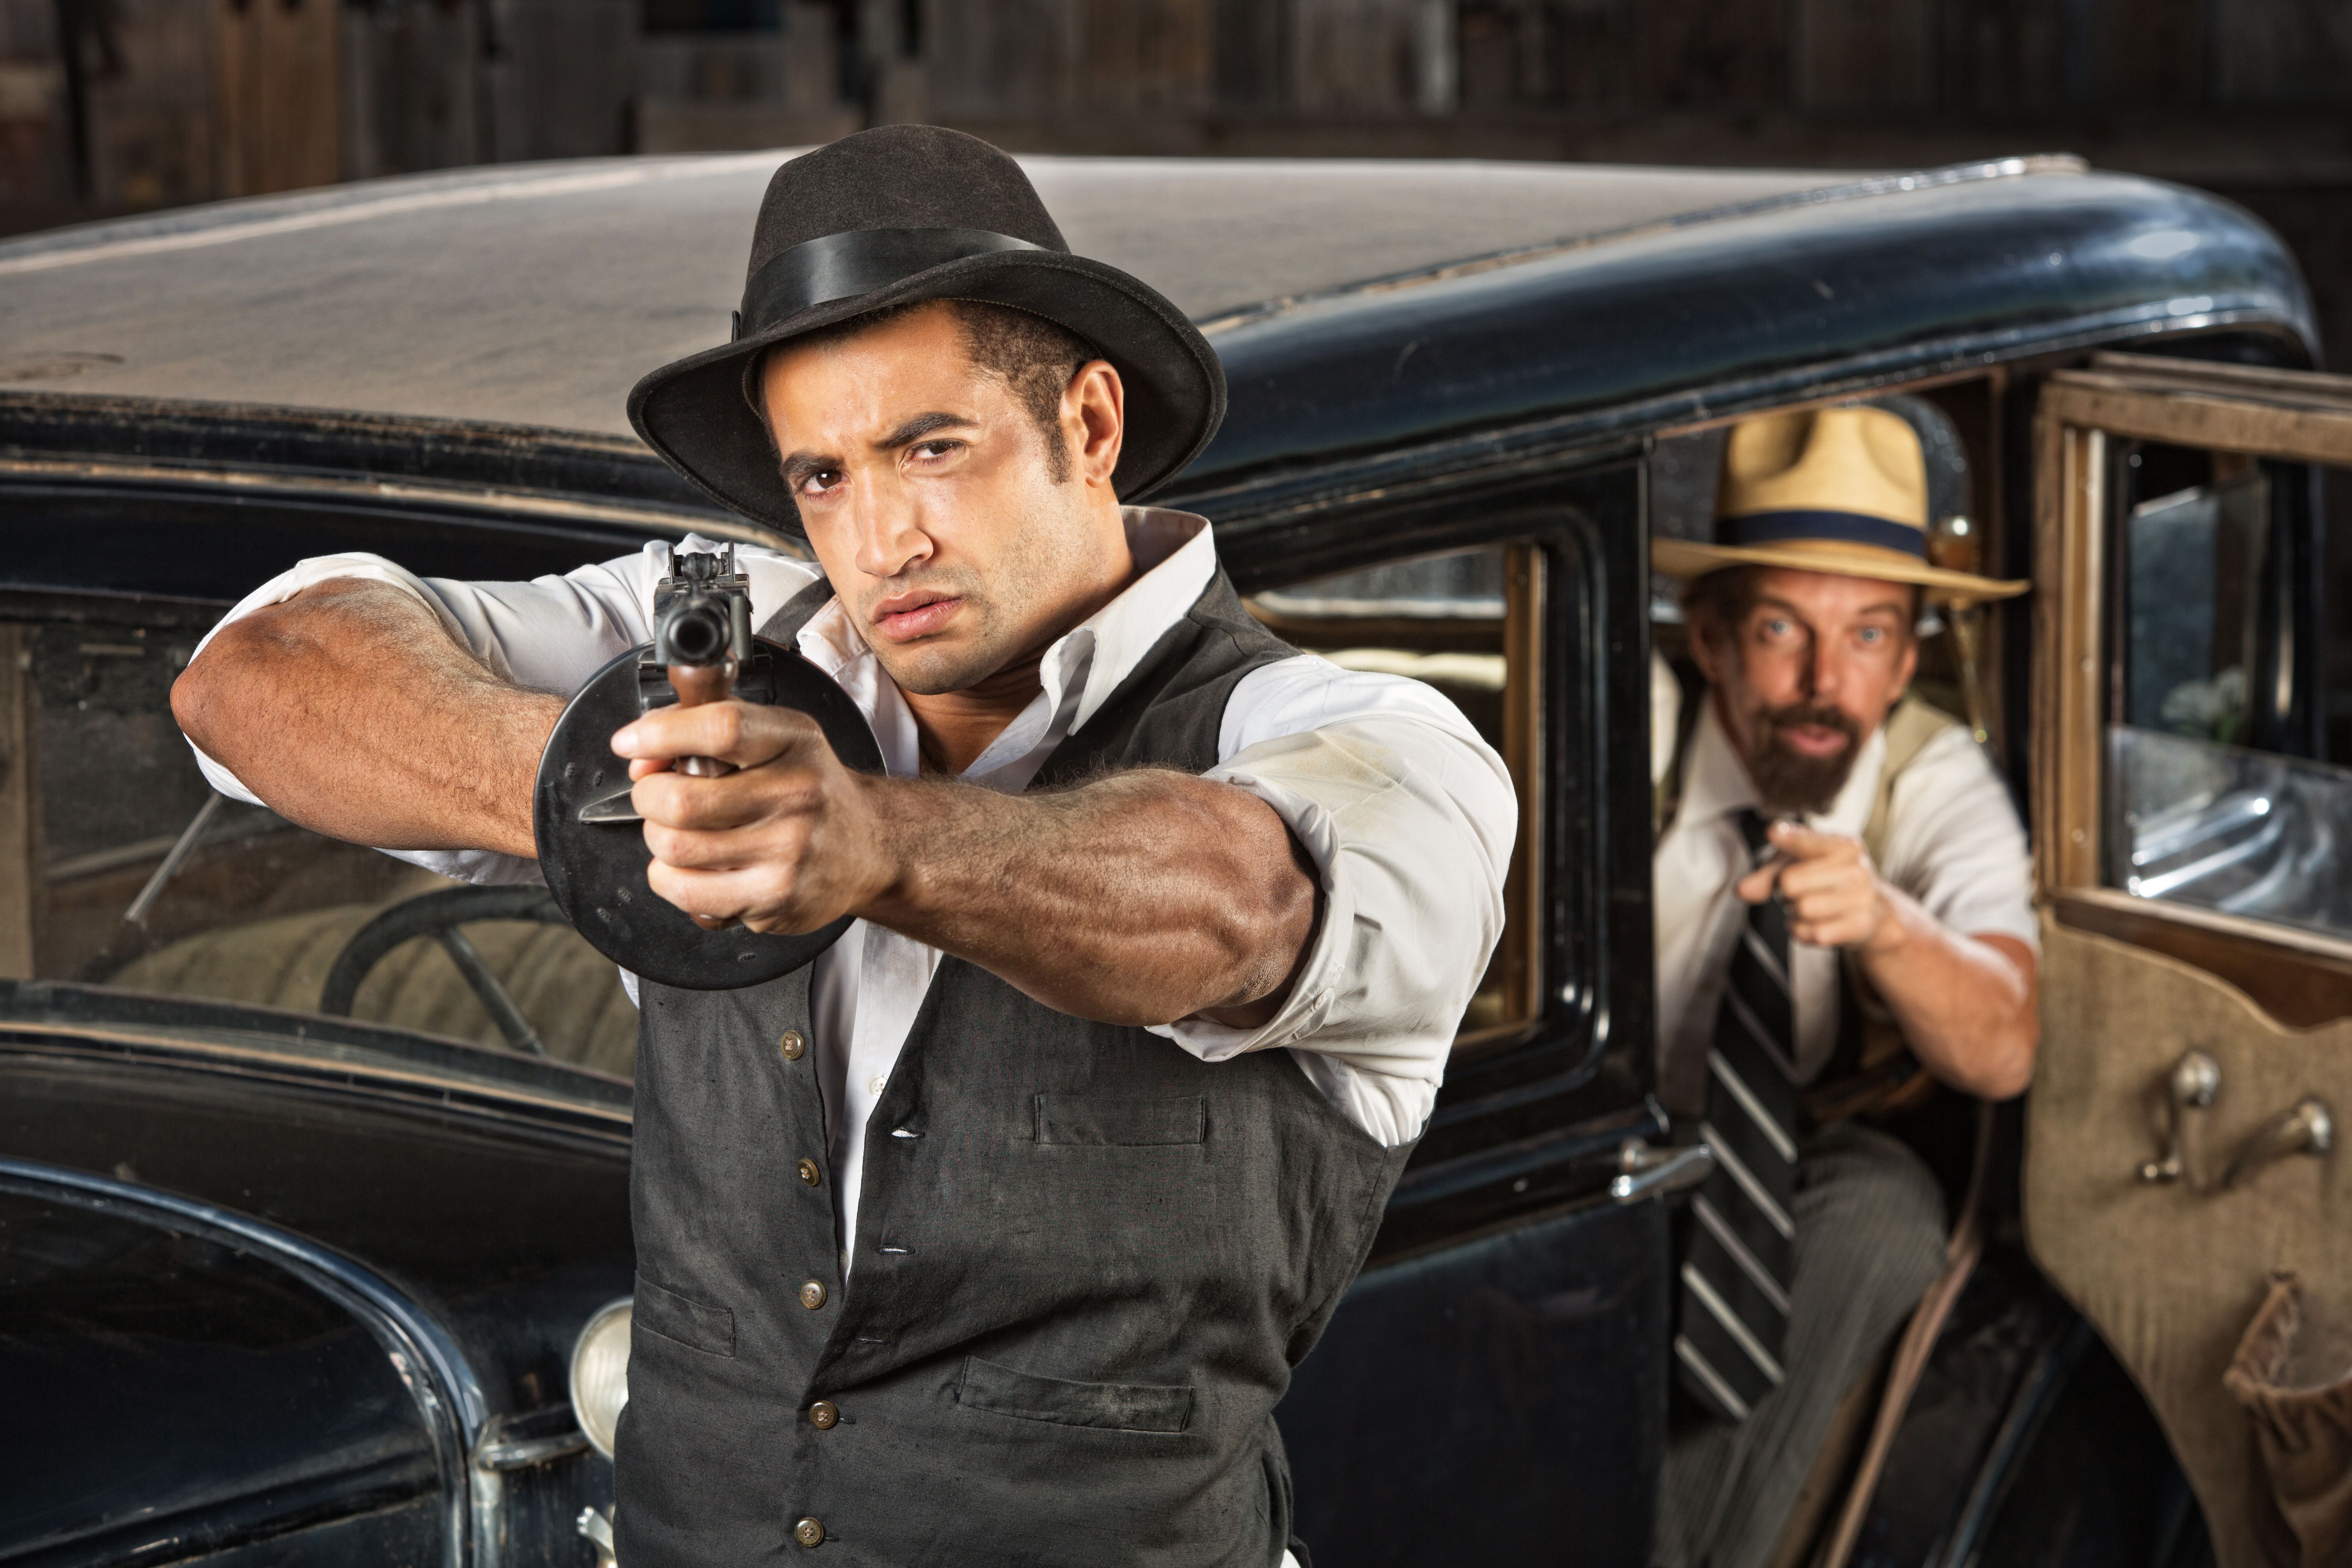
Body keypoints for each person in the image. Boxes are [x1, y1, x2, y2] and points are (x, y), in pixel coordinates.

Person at [170, 126, 1514, 1566]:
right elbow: (254, 672)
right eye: (823, 477)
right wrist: (610, 783)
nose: (881, 542)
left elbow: (1241, 903)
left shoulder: (1363, 736)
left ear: (1092, 425)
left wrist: (875, 843)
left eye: (931, 449)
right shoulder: (730, 638)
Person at [1646, 406, 2040, 1568]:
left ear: (1910, 657)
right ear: (1711, 639)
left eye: (1869, 636)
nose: (1826, 682)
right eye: (1782, 628)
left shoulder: (1931, 774)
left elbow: (2006, 1040)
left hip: (1792, 1167)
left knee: (1882, 1214)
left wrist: (1887, 924)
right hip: (1604, 1148)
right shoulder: (1630, 731)